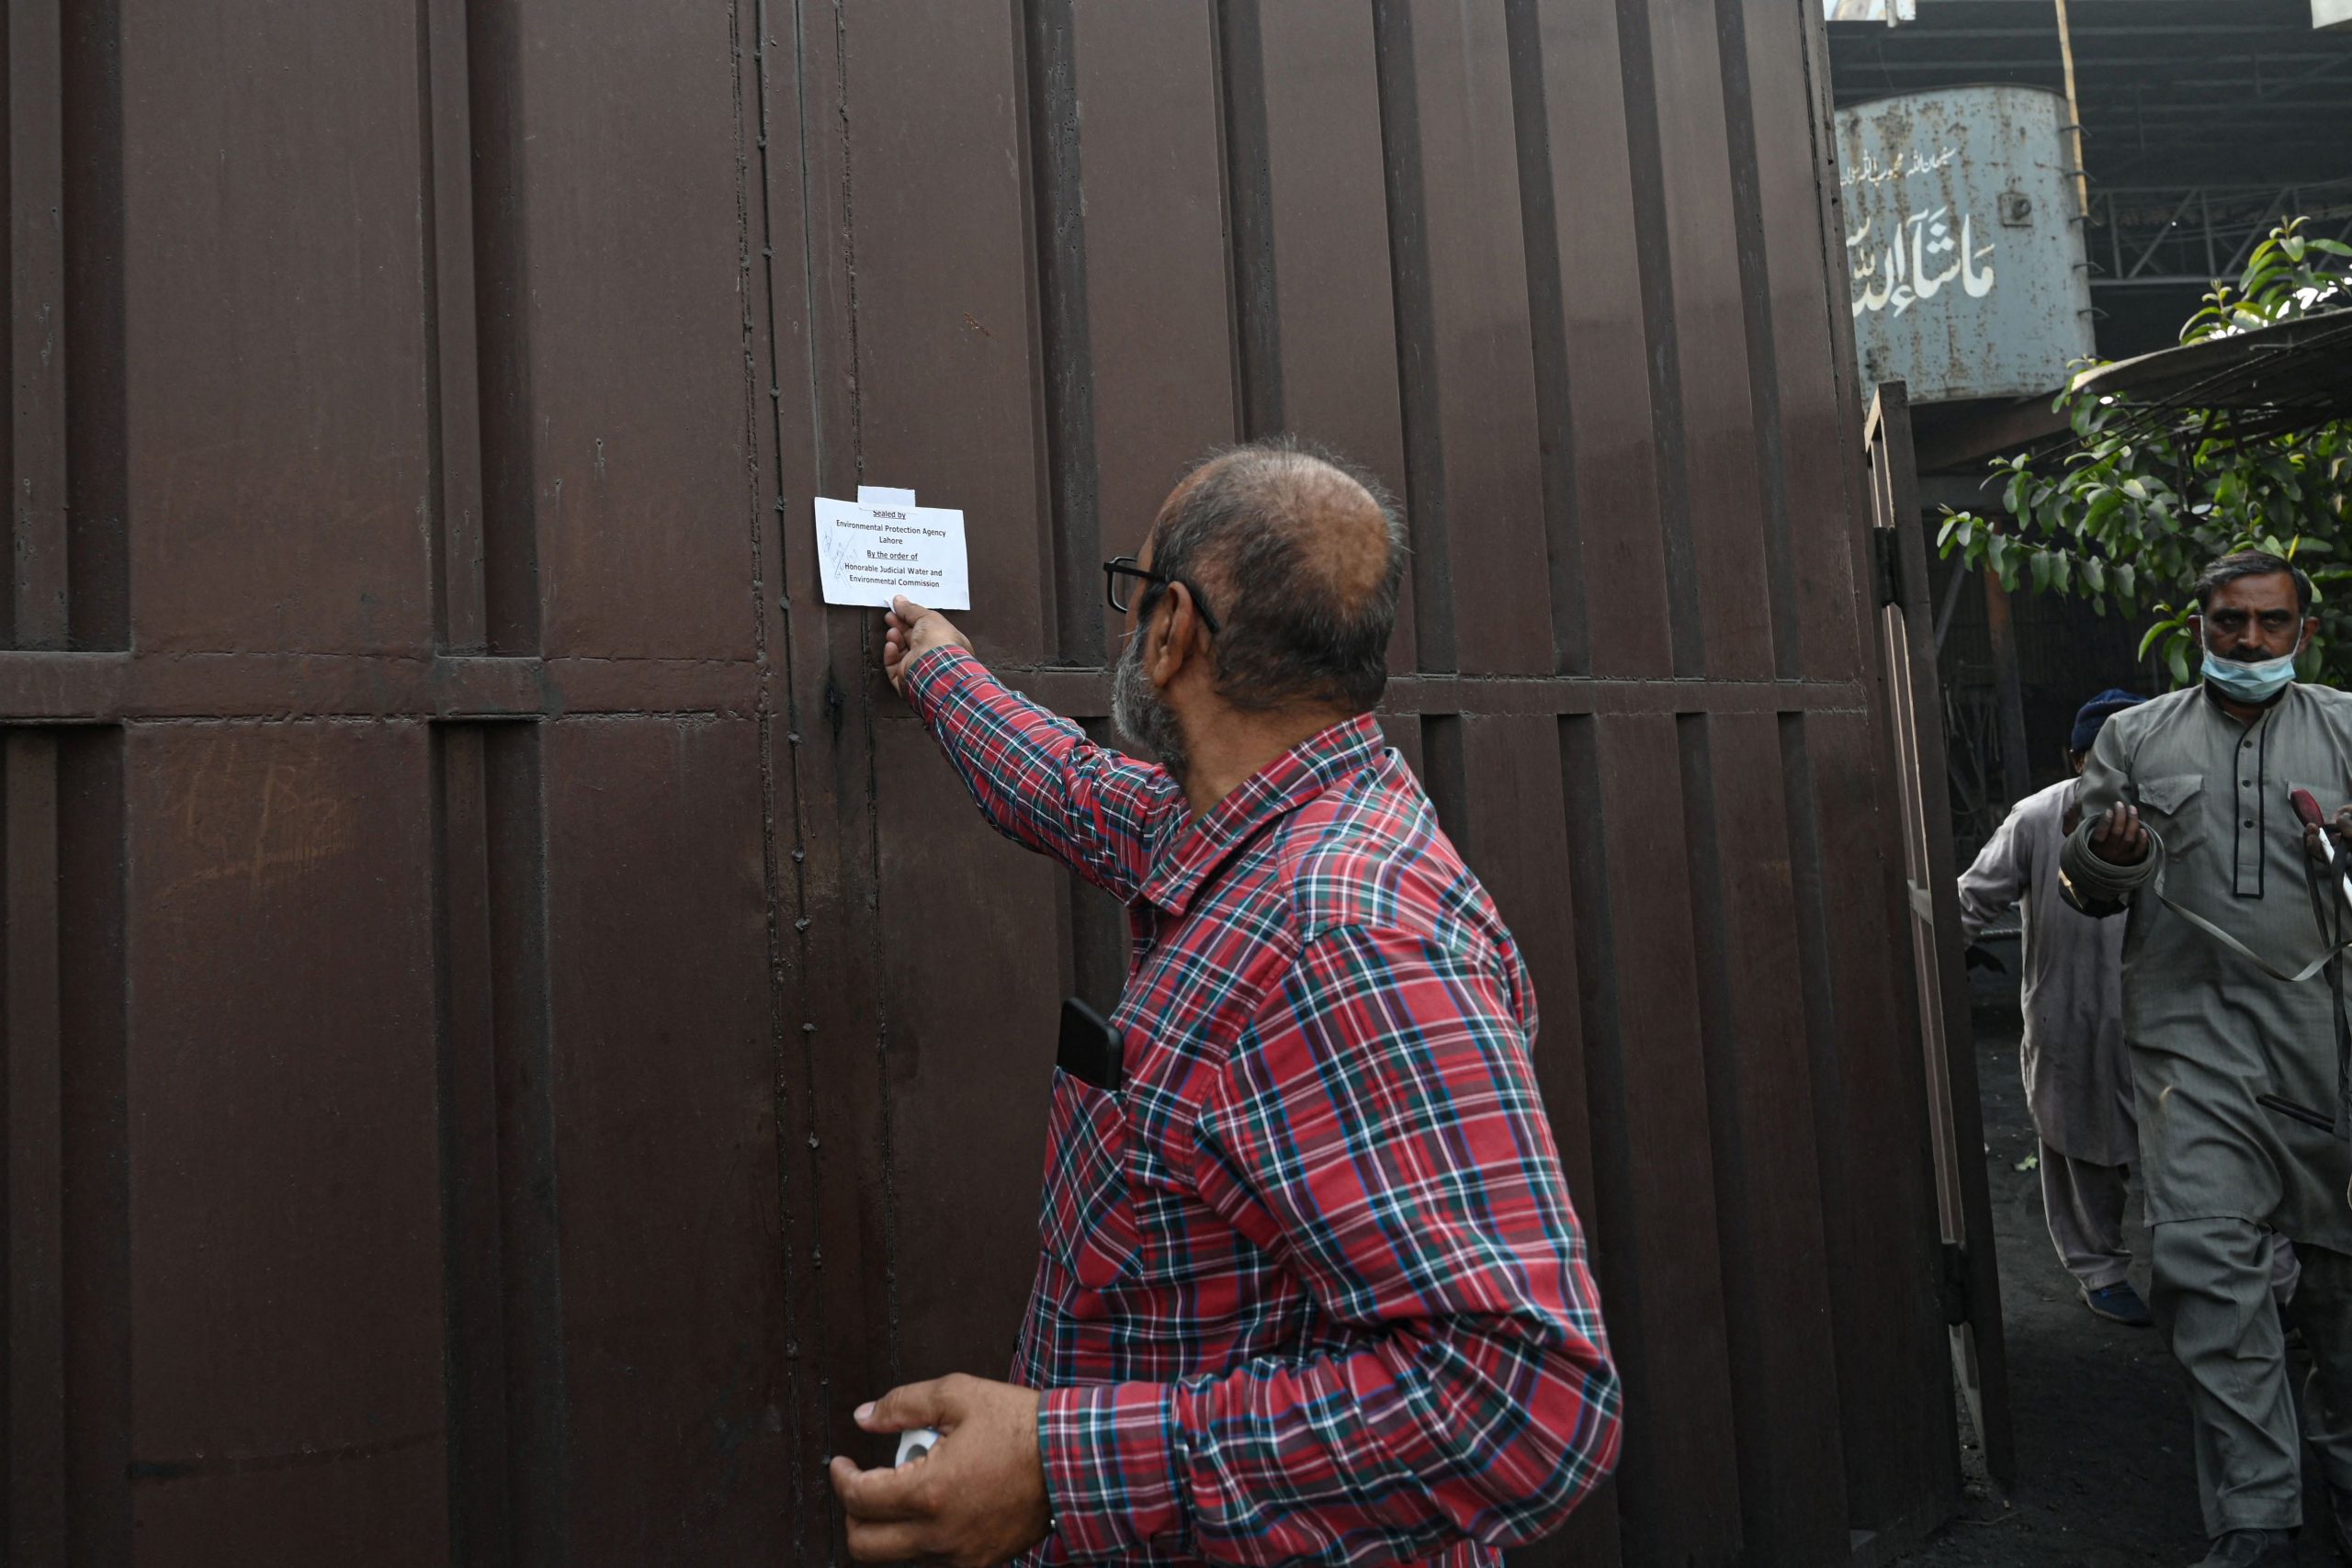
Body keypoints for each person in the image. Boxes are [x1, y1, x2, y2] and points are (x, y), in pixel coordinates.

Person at [825, 439, 1621, 1567]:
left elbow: (1520, 1400)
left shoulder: (1344, 936)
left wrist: (1062, 1464)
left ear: (1173, 632)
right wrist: (938, 667)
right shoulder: (1235, 827)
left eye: (1136, 591)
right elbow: (1069, 789)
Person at [2061, 550, 2352, 1568]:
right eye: (2230, 621)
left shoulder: (2347, 727)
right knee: (2204, 1267)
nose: (2250, 641)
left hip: (2329, 1045)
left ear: (2302, 633)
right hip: (2192, 1043)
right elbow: (2086, 883)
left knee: (2339, 1293)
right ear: (2198, 629)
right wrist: (2113, 856)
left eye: (2272, 623)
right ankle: (2254, 1520)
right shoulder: (2135, 738)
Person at [1960, 688, 2151, 1325]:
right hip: (2071, 1010)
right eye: (2103, 755)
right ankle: (2100, 1270)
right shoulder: (2039, 817)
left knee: (2195, 1143)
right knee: (2077, 1144)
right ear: (2077, 760)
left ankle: (2245, 1280)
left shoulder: (2174, 815)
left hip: (2161, 1013)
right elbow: (1970, 898)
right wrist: (1935, 958)